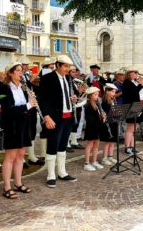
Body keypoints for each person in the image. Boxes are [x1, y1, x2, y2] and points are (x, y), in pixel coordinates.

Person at [0, 62, 37, 199]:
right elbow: (8, 110)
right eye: (18, 71)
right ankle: (7, 187)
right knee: (10, 157)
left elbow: (27, 108)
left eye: (22, 71)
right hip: (12, 126)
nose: (21, 73)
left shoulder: (23, 87)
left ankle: (18, 183)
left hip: (24, 124)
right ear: (10, 73)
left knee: (21, 155)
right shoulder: (4, 88)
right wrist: (27, 105)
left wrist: (31, 101)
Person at [39, 55, 78, 188]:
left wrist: (71, 98)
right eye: (65, 66)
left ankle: (62, 172)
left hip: (67, 116)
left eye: (69, 67)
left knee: (62, 145)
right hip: (54, 117)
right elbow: (42, 99)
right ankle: (50, 175)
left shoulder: (67, 78)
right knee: (52, 145)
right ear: (58, 65)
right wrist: (46, 116)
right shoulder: (47, 78)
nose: (68, 69)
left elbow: (62, 95)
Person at [20, 59, 43, 167]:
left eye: (26, 65)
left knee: (32, 130)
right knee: (24, 131)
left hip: (31, 106)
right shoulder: (18, 77)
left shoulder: (25, 77)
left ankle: (31, 156)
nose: (25, 67)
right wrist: (30, 81)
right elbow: (22, 90)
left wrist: (34, 82)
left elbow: (30, 88)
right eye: (23, 65)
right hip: (23, 107)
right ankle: (22, 158)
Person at [122, 67, 143, 155]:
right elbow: (131, 94)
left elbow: (142, 93)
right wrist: (140, 85)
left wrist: (142, 85)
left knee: (134, 128)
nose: (136, 74)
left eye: (137, 73)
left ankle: (132, 147)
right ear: (129, 74)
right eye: (134, 73)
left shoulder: (135, 82)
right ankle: (127, 148)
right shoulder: (126, 83)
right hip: (131, 107)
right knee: (130, 128)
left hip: (139, 106)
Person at [83, 87, 104, 171]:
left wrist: (102, 117)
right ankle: (86, 163)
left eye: (97, 94)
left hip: (97, 127)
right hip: (91, 127)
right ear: (90, 95)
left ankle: (94, 161)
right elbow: (88, 118)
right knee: (89, 145)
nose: (97, 96)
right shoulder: (88, 105)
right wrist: (99, 118)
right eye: (95, 95)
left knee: (96, 145)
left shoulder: (97, 103)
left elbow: (99, 114)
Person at [100, 83, 118, 165]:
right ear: (107, 91)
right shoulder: (104, 101)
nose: (114, 93)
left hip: (114, 122)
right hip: (108, 123)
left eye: (114, 92)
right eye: (112, 92)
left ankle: (110, 157)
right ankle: (104, 158)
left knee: (112, 141)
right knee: (107, 142)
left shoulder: (113, 100)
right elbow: (107, 112)